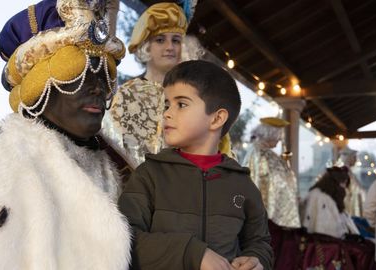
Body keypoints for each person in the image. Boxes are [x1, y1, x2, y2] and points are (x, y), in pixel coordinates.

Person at [0, 0, 131, 269]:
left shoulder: (116, 164)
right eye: (78, 75)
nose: (96, 87)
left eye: (102, 75)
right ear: (41, 86)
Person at [119, 60, 273, 270]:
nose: (166, 113)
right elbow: (125, 240)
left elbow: (260, 242)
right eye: (166, 104)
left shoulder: (242, 185)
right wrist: (192, 254)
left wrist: (256, 260)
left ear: (217, 118)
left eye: (181, 104)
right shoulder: (149, 175)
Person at [103, 2, 188, 165]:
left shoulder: (189, 96)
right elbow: (113, 149)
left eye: (176, 40)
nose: (170, 47)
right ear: (146, 47)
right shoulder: (129, 93)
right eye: (161, 39)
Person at [242, 117, 301, 228]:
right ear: (271, 134)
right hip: (267, 217)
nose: (279, 141)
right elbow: (265, 181)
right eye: (279, 136)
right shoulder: (261, 154)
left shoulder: (261, 151)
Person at [303, 166, 360, 238]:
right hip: (327, 244)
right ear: (335, 182)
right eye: (343, 183)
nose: (344, 187)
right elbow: (326, 230)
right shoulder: (322, 198)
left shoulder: (329, 197)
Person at [339, 146, 366, 217]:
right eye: (354, 157)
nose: (356, 160)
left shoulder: (349, 173)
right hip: (349, 210)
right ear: (348, 158)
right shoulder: (343, 173)